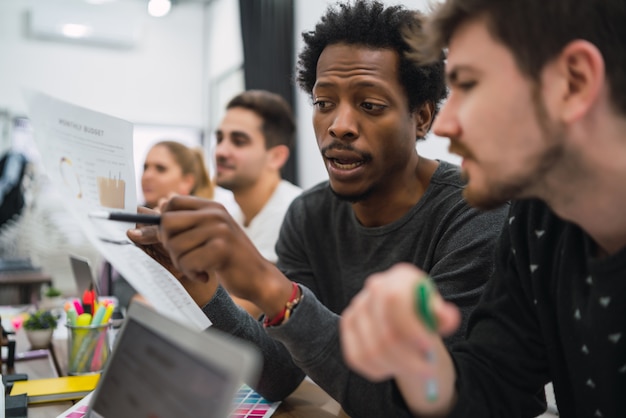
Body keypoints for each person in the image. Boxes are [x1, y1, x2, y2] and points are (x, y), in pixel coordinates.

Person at [128, 1, 507, 416]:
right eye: (324, 102)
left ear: (421, 118)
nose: (338, 125)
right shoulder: (308, 216)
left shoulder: (471, 211)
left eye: (370, 105)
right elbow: (276, 375)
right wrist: (200, 287)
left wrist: (270, 287)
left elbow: (423, 405)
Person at [339, 0, 626, 417]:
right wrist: (417, 359)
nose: (443, 125)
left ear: (573, 82)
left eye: (469, 84)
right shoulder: (538, 216)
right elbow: (491, 387)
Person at [214, 90, 302, 318]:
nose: (221, 151)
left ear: (276, 157)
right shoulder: (234, 215)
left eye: (239, 141)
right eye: (219, 139)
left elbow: (242, 312)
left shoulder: (294, 215)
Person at [106, 140, 214, 307]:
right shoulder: (137, 225)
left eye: (160, 168)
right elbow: (121, 287)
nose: (147, 175)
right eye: (145, 167)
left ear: (187, 182)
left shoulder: (204, 228)